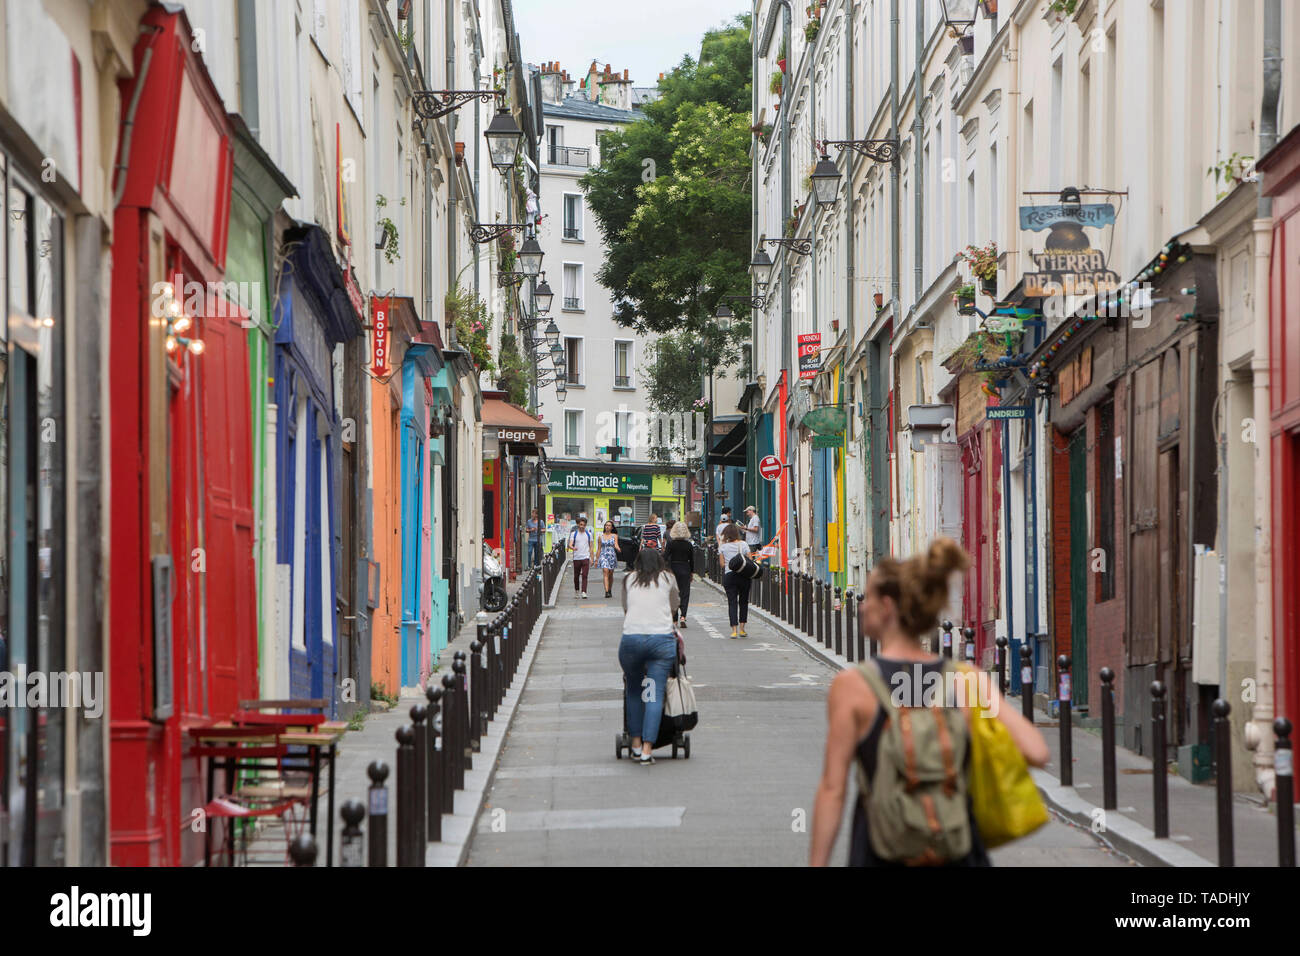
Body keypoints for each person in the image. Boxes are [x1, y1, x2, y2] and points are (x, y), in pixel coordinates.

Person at [808, 538, 1050, 867]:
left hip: (882, 852)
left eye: (870, 597)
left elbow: (833, 789)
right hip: (956, 849)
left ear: (889, 607)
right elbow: (1036, 750)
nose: (862, 605)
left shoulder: (854, 687)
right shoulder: (966, 680)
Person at [618, 548, 680, 765]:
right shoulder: (668, 578)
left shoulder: (628, 580)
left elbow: (626, 608)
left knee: (634, 690)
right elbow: (674, 606)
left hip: (631, 640)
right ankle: (647, 749)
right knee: (654, 692)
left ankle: (635, 744)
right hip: (661, 641)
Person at [718, 523, 751, 638]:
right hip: (744, 575)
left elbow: (722, 564)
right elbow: (750, 560)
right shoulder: (744, 544)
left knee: (732, 602)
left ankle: (734, 630)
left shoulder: (723, 547)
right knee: (743, 602)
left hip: (729, 576)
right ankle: (742, 629)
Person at [664, 520, 695, 629]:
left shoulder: (671, 543)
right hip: (685, 568)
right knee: (685, 593)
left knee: (673, 593)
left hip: (673, 568)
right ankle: (683, 616)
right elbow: (691, 560)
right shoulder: (688, 545)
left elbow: (665, 557)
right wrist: (692, 572)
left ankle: (674, 619)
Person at [568, 516, 594, 599]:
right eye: (581, 524)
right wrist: (573, 548)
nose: (582, 526)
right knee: (576, 576)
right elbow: (570, 544)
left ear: (585, 525)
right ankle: (576, 590)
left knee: (585, 575)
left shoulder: (589, 534)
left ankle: (584, 592)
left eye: (584, 525)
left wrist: (592, 558)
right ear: (578, 524)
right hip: (577, 558)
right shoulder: (574, 534)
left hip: (585, 557)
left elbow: (591, 547)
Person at [596, 520, 623, 598]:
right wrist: (597, 559)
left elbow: (616, 545)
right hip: (603, 555)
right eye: (606, 525)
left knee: (610, 574)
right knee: (605, 571)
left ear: (611, 527)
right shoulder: (600, 537)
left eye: (609, 525)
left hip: (612, 556)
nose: (607, 527)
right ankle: (607, 591)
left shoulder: (614, 536)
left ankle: (610, 589)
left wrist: (618, 549)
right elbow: (599, 549)